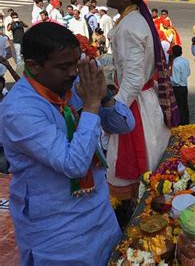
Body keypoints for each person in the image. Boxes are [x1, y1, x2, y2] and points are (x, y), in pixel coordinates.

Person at [0, 22, 135, 265]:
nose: (73, 72)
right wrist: (92, 105)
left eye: (76, 63)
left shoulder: (71, 85)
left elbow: (125, 125)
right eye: (64, 67)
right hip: (57, 230)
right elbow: (74, 164)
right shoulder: (19, 110)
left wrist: (104, 97)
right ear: (33, 66)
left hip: (100, 214)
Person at [105, 0, 178, 200]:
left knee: (138, 165)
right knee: (150, 157)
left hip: (133, 104)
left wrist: (116, 111)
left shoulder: (129, 26)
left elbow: (134, 78)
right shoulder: (133, 18)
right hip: (141, 100)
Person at [171, 45, 191, 125]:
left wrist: (169, 78)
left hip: (178, 88)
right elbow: (189, 73)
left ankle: (181, 122)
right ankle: (186, 121)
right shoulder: (185, 61)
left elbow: (176, 81)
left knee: (179, 106)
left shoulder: (175, 65)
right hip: (184, 86)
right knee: (184, 105)